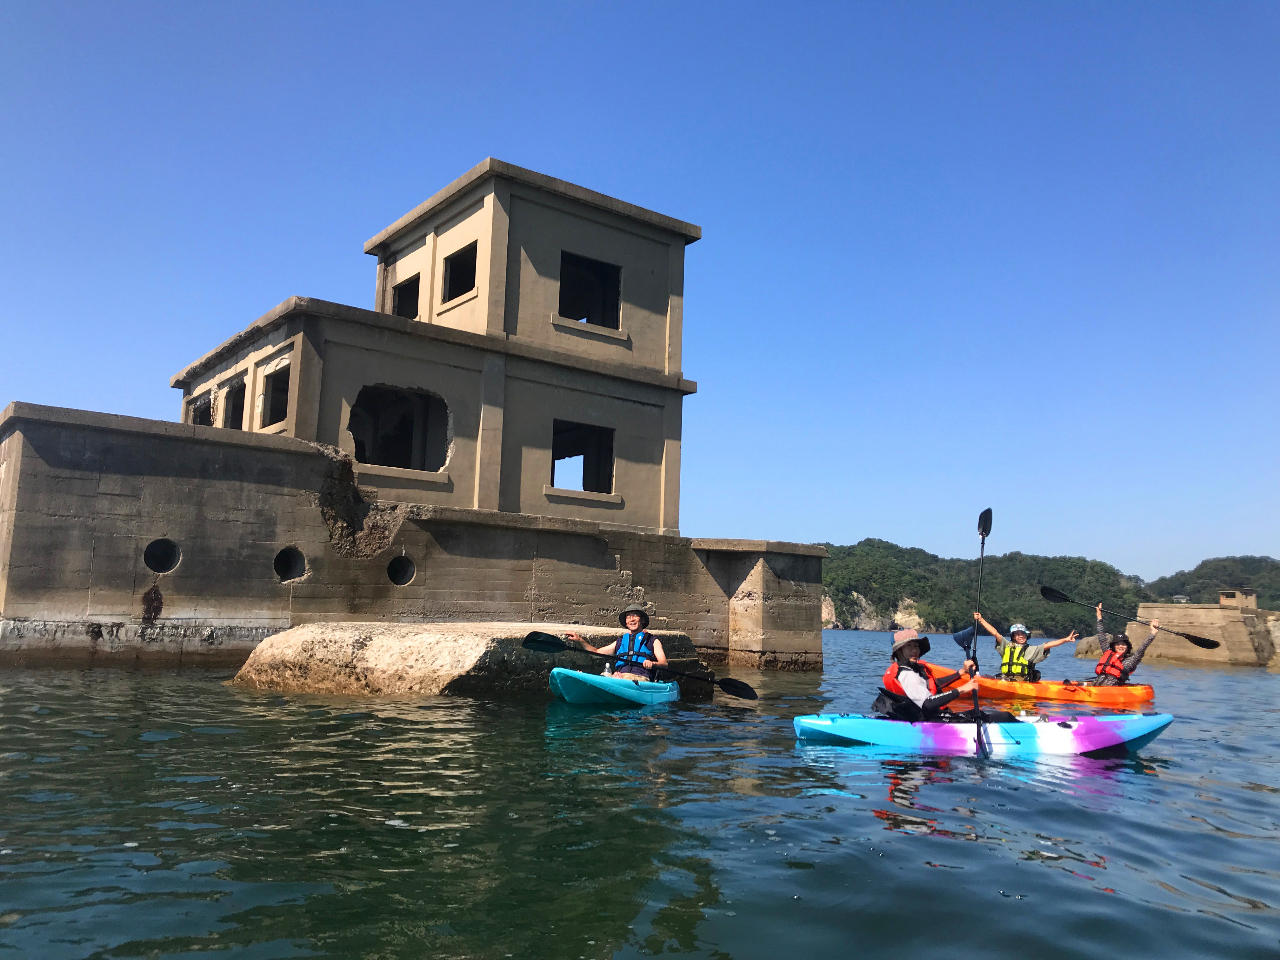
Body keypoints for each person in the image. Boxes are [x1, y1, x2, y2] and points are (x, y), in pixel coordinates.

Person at [877, 628, 977, 719]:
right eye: (909, 646)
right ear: (899, 651)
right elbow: (928, 703)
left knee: (976, 714)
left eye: (916, 646)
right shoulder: (907, 674)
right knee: (981, 716)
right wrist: (961, 689)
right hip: (930, 721)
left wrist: (961, 672)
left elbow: (933, 684)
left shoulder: (911, 669)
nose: (914, 650)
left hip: (930, 717)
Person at [565, 604, 667, 681]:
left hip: (640, 677)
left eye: (635, 615)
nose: (631, 619)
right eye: (628, 617)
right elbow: (596, 653)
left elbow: (664, 663)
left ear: (642, 620)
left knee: (616, 678)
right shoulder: (620, 641)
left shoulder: (653, 641)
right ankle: (585, 680)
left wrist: (652, 663)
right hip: (619, 676)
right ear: (626, 623)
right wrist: (580, 640)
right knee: (604, 675)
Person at [974, 612, 1078, 682]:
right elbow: (995, 633)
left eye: (1023, 633)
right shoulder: (1007, 646)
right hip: (1005, 679)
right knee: (982, 677)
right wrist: (981, 619)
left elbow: (1048, 645)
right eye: (1017, 634)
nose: (1021, 636)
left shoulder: (1031, 650)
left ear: (1026, 635)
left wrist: (1065, 639)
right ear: (1013, 637)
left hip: (1021, 682)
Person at [1093, 603, 1157, 686]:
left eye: (1123, 644)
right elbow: (1101, 635)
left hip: (1112, 690)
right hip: (1097, 686)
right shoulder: (1108, 653)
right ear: (1113, 646)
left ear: (1127, 646)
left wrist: (1153, 633)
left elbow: (1142, 649)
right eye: (1118, 644)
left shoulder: (1131, 661)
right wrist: (1099, 616)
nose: (1120, 646)